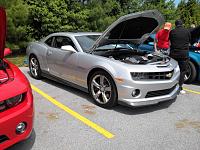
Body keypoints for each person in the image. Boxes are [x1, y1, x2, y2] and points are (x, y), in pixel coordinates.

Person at [169, 19, 191, 94]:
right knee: (182, 71)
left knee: (173, 70)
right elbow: (189, 41)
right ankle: (180, 87)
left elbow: (170, 41)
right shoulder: (187, 31)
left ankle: (170, 87)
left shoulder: (172, 32)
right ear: (182, 24)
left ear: (175, 24)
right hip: (183, 54)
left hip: (173, 54)